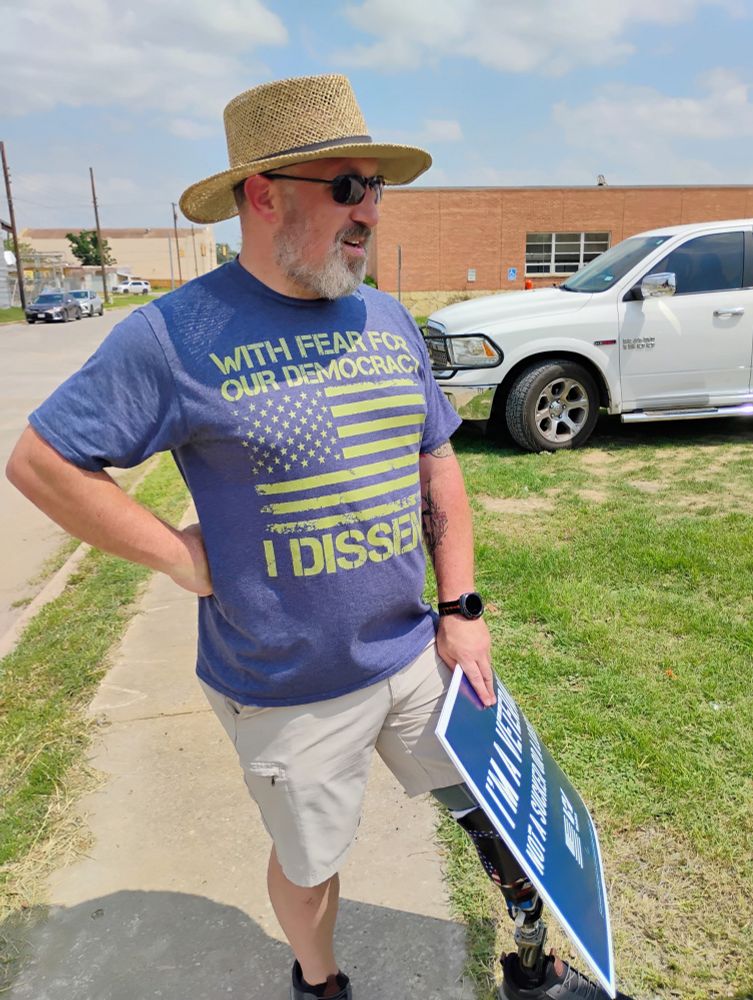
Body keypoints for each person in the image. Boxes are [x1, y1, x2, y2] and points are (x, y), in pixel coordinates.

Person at [6, 74, 622, 1000]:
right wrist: (178, 559)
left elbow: (436, 466)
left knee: (494, 810)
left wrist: (461, 609)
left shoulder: (384, 317)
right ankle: (319, 980)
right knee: (311, 861)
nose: (369, 209)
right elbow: (44, 461)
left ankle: (536, 969)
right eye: (346, 187)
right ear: (263, 193)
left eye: (376, 187)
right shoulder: (174, 335)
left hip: (415, 651)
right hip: (286, 684)